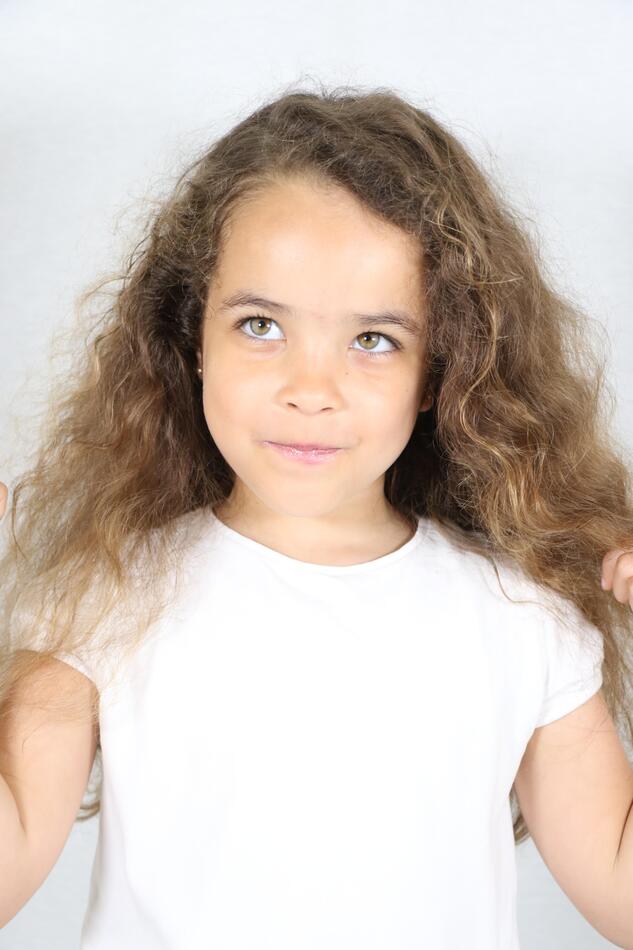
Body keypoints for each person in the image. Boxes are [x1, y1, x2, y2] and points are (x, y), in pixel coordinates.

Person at [1, 85, 633, 949]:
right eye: (261, 325)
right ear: (192, 337)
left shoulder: (520, 616)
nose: (310, 390)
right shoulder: (104, 591)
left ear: (441, 372)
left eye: (373, 340)